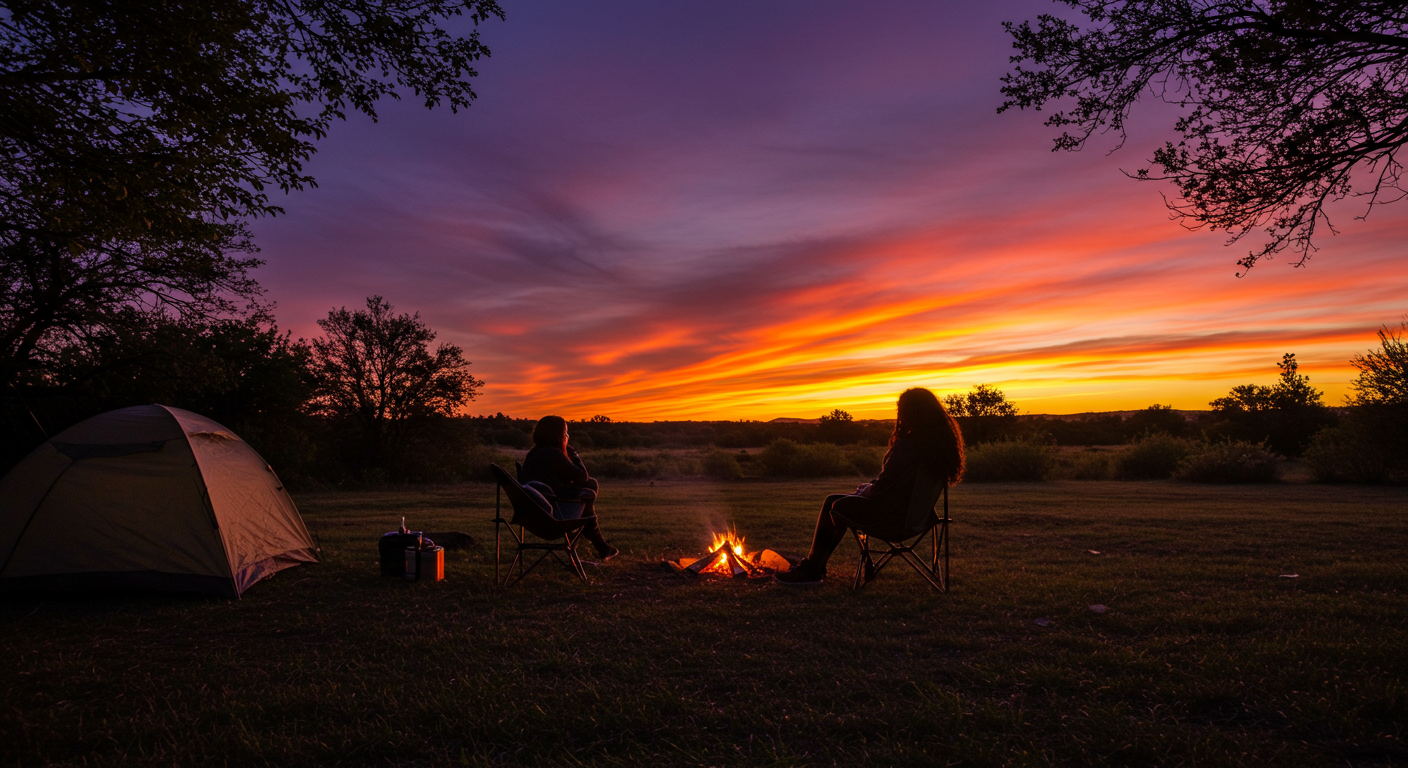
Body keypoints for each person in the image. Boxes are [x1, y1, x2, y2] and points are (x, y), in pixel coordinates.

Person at [775, 388, 964, 585]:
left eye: (900, 409)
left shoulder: (908, 446)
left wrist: (866, 491)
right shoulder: (936, 449)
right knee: (838, 501)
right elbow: (897, 486)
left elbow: (883, 490)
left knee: (836, 504)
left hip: (891, 521)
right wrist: (870, 488)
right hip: (919, 520)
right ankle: (815, 565)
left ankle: (812, 569)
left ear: (910, 413)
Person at [519, 415, 619, 562]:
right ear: (558, 435)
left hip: (533, 515)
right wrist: (572, 453)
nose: (567, 436)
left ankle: (599, 546)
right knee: (589, 487)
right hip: (554, 516)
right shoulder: (553, 454)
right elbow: (582, 476)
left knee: (588, 488)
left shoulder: (534, 453)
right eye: (565, 433)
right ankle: (588, 542)